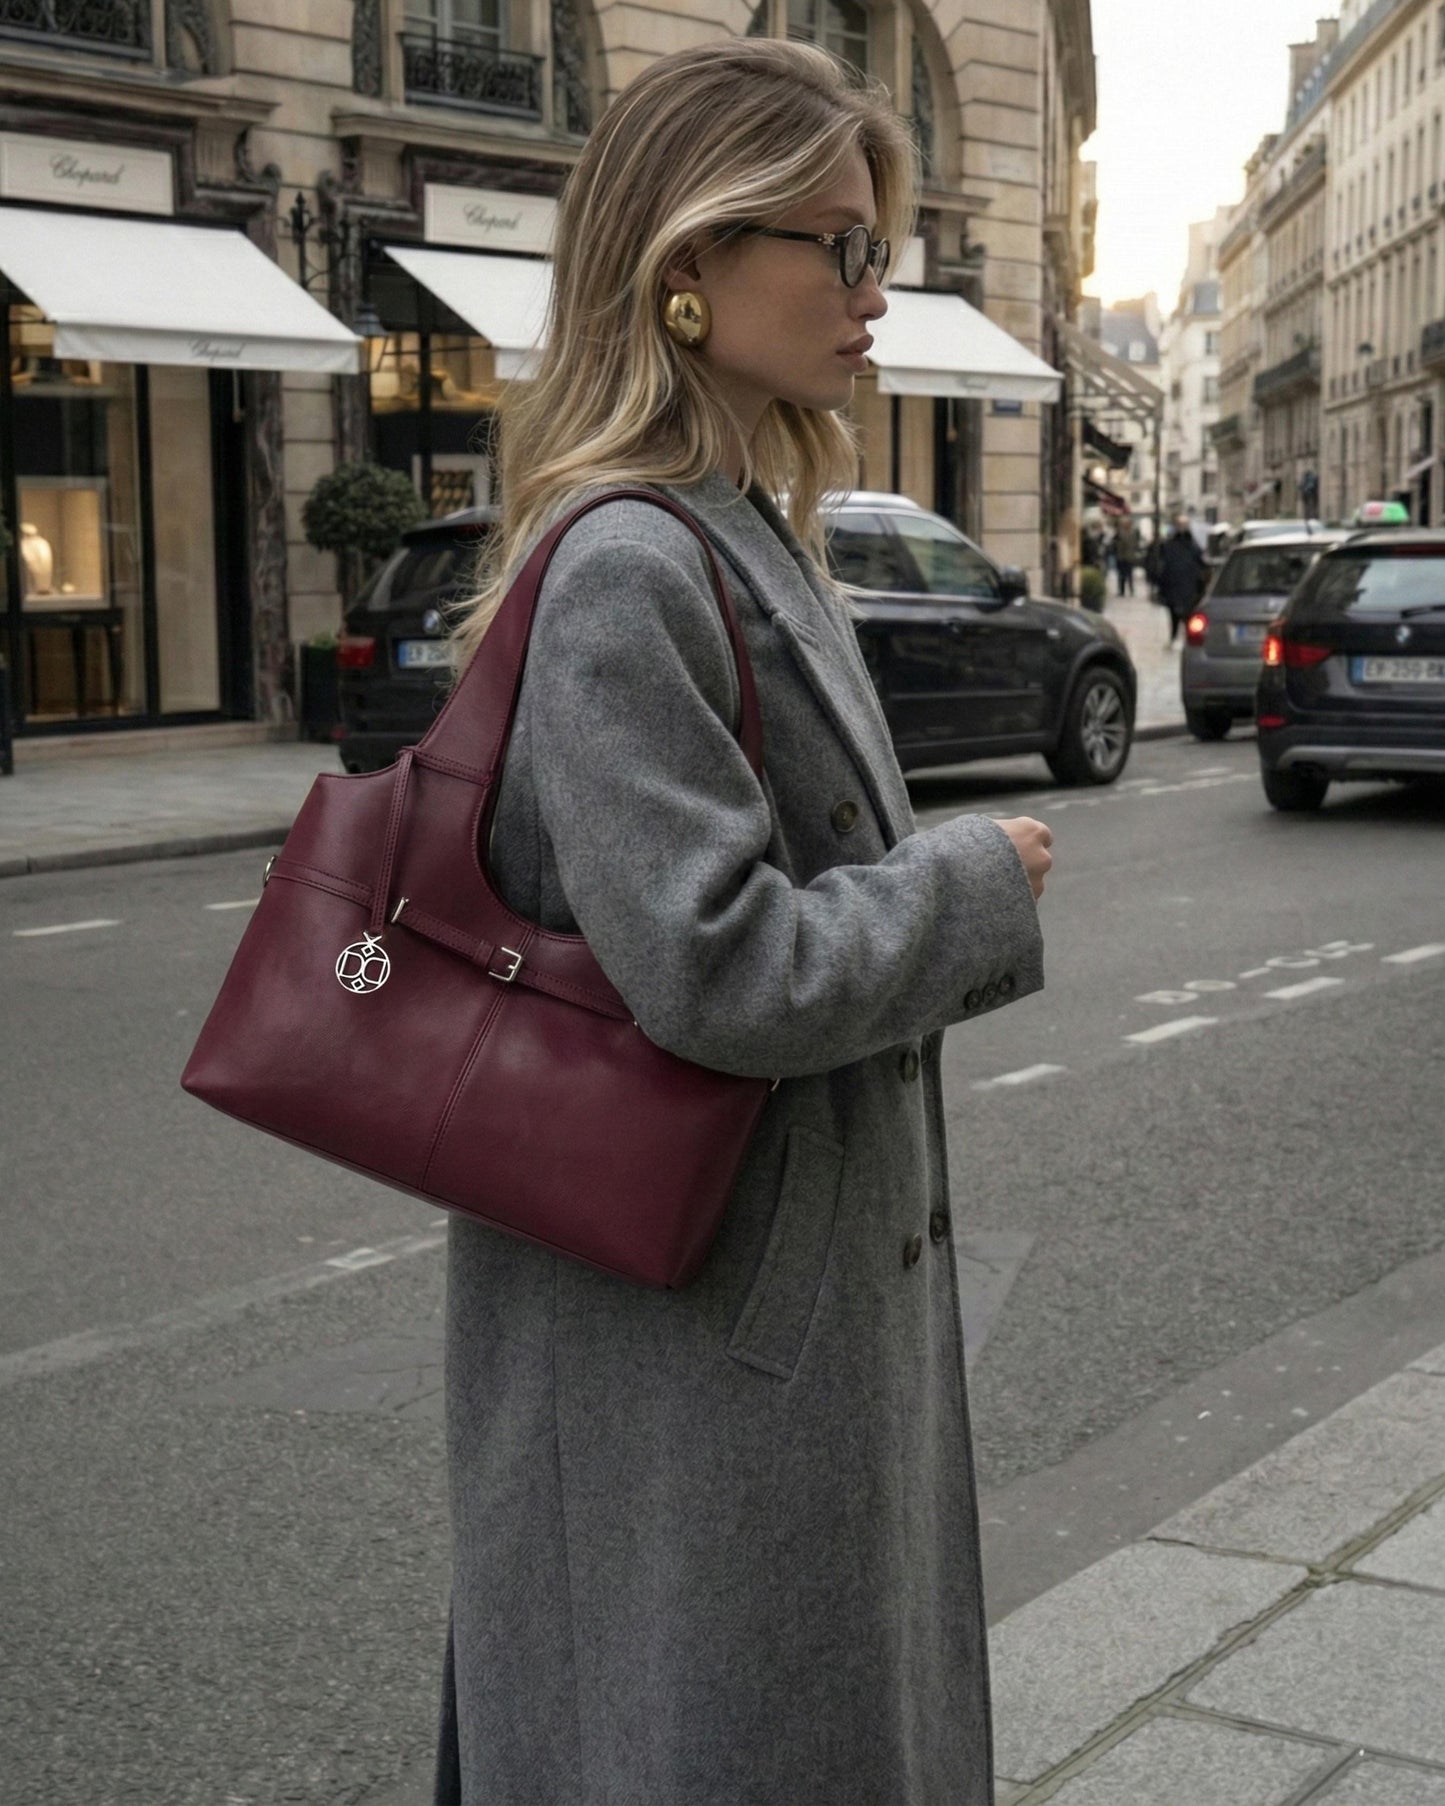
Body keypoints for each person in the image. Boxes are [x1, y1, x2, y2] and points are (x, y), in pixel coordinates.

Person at [436, 39, 1052, 1806]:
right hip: (698, 1342)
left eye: (886, 251)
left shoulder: (737, 528)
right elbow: (712, 962)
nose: (879, 292)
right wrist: (971, 888)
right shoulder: (635, 562)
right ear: (688, 269)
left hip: (744, 1310)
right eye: (841, 248)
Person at [1156, 513, 1206, 645]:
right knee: (1185, 614)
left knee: (1176, 614)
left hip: (1178, 586)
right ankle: (1180, 637)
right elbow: (1201, 564)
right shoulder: (1192, 545)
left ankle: (1175, 636)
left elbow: (1163, 567)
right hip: (1184, 586)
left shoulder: (1170, 545)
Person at [1113, 514, 1138, 596]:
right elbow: (1117, 545)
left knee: (1129, 575)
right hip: (1122, 557)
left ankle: (1130, 590)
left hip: (1128, 557)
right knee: (1122, 576)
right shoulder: (1121, 533)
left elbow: (1133, 545)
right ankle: (1122, 591)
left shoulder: (1132, 533)